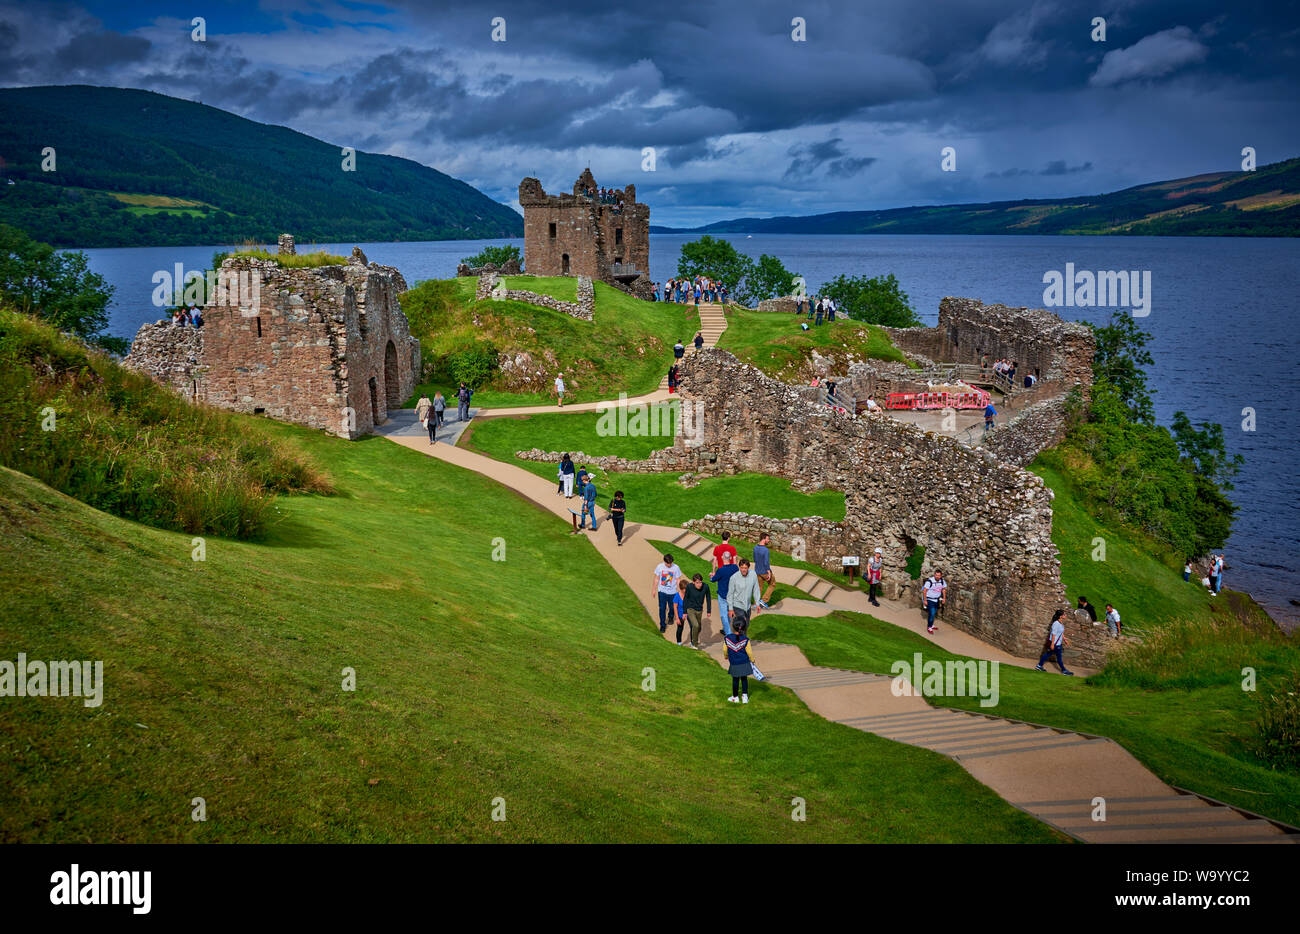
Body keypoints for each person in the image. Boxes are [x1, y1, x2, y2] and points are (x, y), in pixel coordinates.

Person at [725, 618, 755, 703]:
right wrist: (752, 660)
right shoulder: (746, 639)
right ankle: (745, 697)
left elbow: (724, 649)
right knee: (744, 679)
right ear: (744, 628)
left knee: (735, 680)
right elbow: (749, 652)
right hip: (744, 662)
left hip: (734, 663)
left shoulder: (727, 638)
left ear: (733, 627)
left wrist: (726, 656)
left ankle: (735, 697)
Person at [1035, 609, 1074, 675]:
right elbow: (1053, 634)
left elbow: (1061, 633)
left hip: (1057, 643)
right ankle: (1064, 671)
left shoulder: (1060, 623)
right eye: (1064, 614)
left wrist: (1064, 639)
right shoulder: (1056, 623)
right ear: (1061, 616)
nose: (1065, 615)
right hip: (1055, 644)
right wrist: (1052, 644)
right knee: (1058, 657)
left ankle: (1039, 666)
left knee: (1048, 654)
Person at [727, 558, 762, 632]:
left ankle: (739, 641)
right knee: (741, 626)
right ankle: (741, 642)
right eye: (742, 568)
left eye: (745, 568)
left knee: (746, 626)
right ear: (739, 567)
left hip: (748, 606)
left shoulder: (753, 574)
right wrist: (730, 609)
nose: (743, 570)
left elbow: (756, 589)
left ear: (748, 568)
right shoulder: (733, 578)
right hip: (737, 605)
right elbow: (730, 594)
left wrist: (757, 603)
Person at [652, 554, 683, 634]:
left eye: (670, 563)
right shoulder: (659, 567)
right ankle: (662, 625)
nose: (669, 565)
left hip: (672, 592)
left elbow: (678, 580)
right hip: (662, 591)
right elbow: (656, 578)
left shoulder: (676, 568)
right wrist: (654, 589)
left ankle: (670, 616)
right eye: (667, 563)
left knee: (672, 607)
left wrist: (680, 591)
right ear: (664, 561)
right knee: (662, 608)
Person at [710, 554, 740, 636]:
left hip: (723, 595)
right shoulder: (735, 567)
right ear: (730, 558)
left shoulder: (720, 570)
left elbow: (713, 579)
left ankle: (728, 634)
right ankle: (725, 629)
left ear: (722, 557)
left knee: (724, 615)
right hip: (733, 595)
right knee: (729, 613)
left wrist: (711, 576)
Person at [683, 573, 712, 648]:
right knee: (695, 625)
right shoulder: (689, 587)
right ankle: (694, 644)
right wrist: (684, 612)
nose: (699, 584)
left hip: (699, 610)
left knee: (699, 628)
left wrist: (709, 610)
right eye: (697, 582)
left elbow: (708, 598)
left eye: (700, 582)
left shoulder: (705, 587)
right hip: (690, 609)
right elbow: (685, 599)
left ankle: (693, 640)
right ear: (693, 582)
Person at [753, 532, 776, 608]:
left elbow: (755, 559)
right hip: (764, 572)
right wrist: (769, 572)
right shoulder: (766, 550)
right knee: (772, 584)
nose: (769, 540)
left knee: (759, 587)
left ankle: (757, 603)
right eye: (768, 539)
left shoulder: (755, 548)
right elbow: (766, 562)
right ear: (763, 539)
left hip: (757, 571)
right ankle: (764, 600)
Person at [920, 569, 946, 634]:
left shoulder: (942, 581)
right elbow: (924, 591)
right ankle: (929, 627)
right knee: (932, 613)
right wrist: (925, 600)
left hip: (937, 600)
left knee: (934, 612)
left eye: (939, 575)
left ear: (941, 576)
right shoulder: (930, 581)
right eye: (936, 575)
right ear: (934, 575)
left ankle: (931, 624)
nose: (937, 576)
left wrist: (944, 598)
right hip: (929, 599)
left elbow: (943, 590)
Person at [671, 579, 690, 645]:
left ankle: (693, 641)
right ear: (681, 589)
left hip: (688, 613)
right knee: (680, 628)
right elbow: (675, 607)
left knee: (693, 627)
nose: (686, 590)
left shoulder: (689, 594)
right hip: (680, 614)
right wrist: (677, 618)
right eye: (685, 589)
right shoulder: (677, 596)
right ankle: (679, 642)